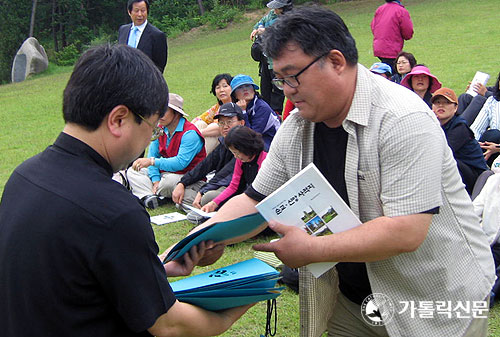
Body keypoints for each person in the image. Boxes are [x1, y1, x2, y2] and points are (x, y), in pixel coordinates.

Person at [192, 6, 495, 337]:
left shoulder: (403, 119)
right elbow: (254, 200)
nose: (286, 89)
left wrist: (312, 250)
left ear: (336, 62)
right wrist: (196, 242)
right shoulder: (297, 127)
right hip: (352, 301)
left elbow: (405, 230)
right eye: (280, 79)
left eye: (293, 76)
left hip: (431, 299)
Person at [0, 44, 250, 337]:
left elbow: (73, 276)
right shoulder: (115, 212)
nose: (151, 137)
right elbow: (169, 325)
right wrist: (244, 300)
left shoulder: (23, 177)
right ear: (119, 119)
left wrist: (159, 267)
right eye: (153, 127)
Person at [127, 93, 206, 209]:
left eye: (164, 111)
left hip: (187, 176)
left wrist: (152, 162)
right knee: (134, 171)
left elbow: (180, 163)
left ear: (176, 113)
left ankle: (155, 194)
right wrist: (155, 180)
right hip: (166, 173)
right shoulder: (160, 130)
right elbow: (152, 155)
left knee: (168, 181)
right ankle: (149, 196)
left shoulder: (190, 133)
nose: (160, 115)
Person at [172, 102, 246, 210]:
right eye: (221, 123)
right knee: (180, 189)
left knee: (208, 197)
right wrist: (182, 183)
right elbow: (205, 165)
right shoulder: (224, 143)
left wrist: (203, 191)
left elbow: (225, 176)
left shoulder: (245, 145)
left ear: (242, 123)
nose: (225, 126)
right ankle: (204, 209)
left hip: (236, 189)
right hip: (219, 185)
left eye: (229, 122)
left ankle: (205, 209)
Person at [431, 87, 488, 195]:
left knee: (445, 160)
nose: (441, 105)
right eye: (437, 102)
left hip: (475, 176)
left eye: (447, 102)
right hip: (457, 172)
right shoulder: (433, 124)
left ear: (455, 108)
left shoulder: (459, 127)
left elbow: (442, 152)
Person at [201, 126, 267, 213]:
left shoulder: (264, 160)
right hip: (245, 195)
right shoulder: (241, 160)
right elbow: (234, 186)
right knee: (209, 199)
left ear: (246, 147)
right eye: (233, 153)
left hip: (260, 199)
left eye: (237, 153)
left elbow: (260, 192)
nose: (235, 156)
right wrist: (214, 203)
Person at [250, 0, 293, 113]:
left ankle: (276, 115)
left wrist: (264, 30)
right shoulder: (272, 15)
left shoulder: (288, 18)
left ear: (284, 7)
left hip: (278, 60)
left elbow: (279, 31)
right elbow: (262, 21)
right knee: (265, 88)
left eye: (277, 8)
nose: (274, 10)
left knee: (278, 90)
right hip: (266, 59)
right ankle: (265, 113)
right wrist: (257, 28)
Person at [230, 74, 281, 150]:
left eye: (248, 86)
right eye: (240, 87)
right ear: (235, 95)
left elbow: (251, 137)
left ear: (254, 90)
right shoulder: (237, 107)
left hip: (272, 143)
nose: (245, 89)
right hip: (257, 140)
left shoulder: (262, 107)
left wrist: (243, 112)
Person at [118, 0, 168, 73]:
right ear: (129, 12)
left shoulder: (157, 35)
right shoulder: (123, 30)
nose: (140, 14)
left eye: (143, 10)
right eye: (136, 11)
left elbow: (159, 66)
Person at [191, 73, 233, 154]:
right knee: (199, 123)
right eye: (218, 87)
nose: (221, 90)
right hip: (210, 135)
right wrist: (187, 131)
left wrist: (197, 133)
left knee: (213, 128)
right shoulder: (218, 107)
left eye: (225, 86)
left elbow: (220, 128)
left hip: (227, 139)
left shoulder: (234, 106)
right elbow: (199, 118)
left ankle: (197, 160)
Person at [370, 0, 413, 73]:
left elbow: (373, 27)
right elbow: (408, 32)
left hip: (379, 47)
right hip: (392, 49)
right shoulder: (401, 11)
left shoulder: (380, 9)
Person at [469, 72, 500, 159]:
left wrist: (498, 148)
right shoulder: (492, 101)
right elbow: (476, 129)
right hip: (490, 150)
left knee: (495, 134)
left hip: (497, 148)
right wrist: (476, 143)